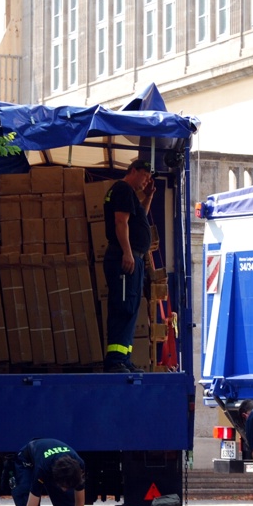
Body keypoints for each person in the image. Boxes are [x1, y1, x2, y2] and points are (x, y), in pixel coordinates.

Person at [103, 158, 156, 373]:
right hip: (125, 257)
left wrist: (149, 196)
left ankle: (124, 358)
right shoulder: (123, 189)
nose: (147, 181)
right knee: (123, 307)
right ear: (133, 170)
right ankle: (116, 360)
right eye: (145, 176)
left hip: (134, 258)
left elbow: (139, 215)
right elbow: (121, 222)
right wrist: (127, 252)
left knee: (131, 308)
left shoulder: (129, 194)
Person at [11, 438, 93, 506]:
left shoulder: (78, 468)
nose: (65, 489)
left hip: (53, 461)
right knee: (27, 499)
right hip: (26, 462)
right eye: (63, 486)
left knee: (68, 500)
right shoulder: (42, 470)